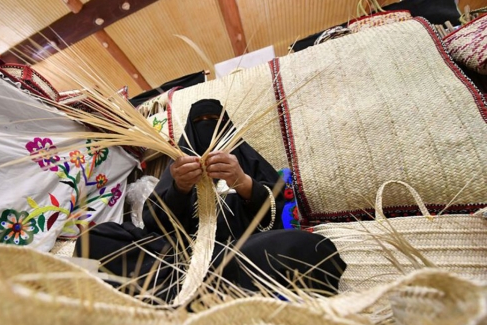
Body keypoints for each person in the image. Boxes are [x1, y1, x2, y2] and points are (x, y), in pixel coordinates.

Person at [75, 99, 345, 300]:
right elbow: (154, 225)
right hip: (178, 255)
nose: (207, 131)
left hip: (239, 249)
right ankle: (208, 287)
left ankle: (181, 288)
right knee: (97, 237)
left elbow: (282, 213)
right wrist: (180, 188)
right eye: (200, 123)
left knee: (314, 246)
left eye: (213, 121)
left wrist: (242, 182)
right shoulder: (177, 167)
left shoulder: (246, 164)